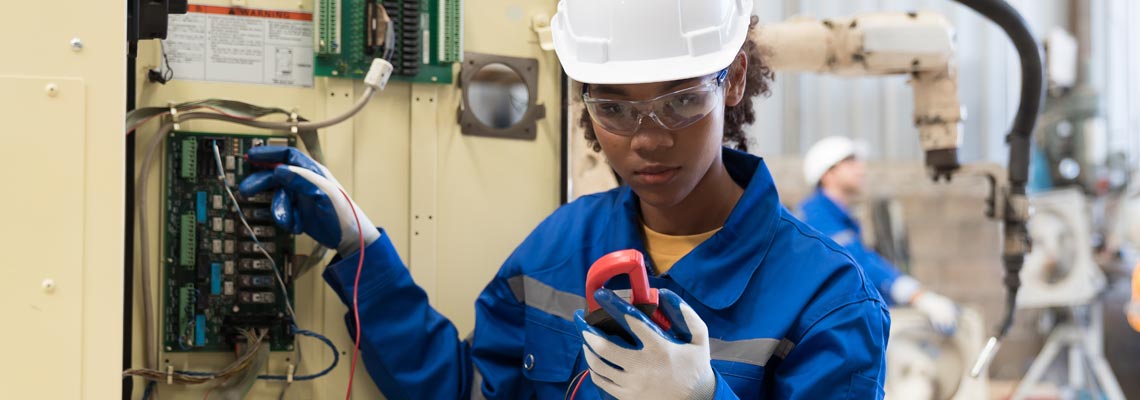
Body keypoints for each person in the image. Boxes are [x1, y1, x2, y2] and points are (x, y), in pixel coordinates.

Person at [239, 1, 888, 398]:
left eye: (684, 100)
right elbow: (469, 391)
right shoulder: (559, 250)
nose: (650, 140)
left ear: (735, 79)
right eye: (614, 108)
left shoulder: (825, 298)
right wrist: (363, 252)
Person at [796, 136, 959, 335]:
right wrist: (915, 294)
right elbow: (856, 262)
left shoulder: (839, 217)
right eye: (850, 162)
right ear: (828, 174)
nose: (861, 169)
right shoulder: (816, 216)